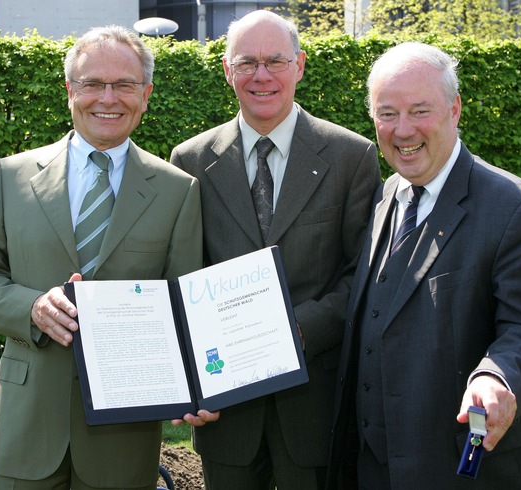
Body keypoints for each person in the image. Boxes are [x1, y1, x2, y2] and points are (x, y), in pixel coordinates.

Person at [0, 25, 202, 489]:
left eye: (124, 85)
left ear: (146, 95)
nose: (107, 98)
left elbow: (184, 307)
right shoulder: (10, 177)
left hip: (124, 440)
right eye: (92, 83)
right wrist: (30, 307)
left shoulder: (178, 191)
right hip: (25, 431)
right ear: (70, 90)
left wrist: (194, 386)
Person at [326, 41, 521, 490]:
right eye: (387, 113)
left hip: (459, 469)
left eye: (420, 111)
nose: (402, 130)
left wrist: (498, 377)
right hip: (372, 468)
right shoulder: (384, 198)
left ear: (455, 109)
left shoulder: (516, 207)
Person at [169, 9, 381, 490]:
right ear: (227, 70)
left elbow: (364, 276)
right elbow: (182, 276)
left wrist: (299, 330)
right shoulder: (190, 160)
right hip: (226, 412)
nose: (261, 75)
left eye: (275, 61)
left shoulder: (352, 157)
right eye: (246, 62)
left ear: (300, 65)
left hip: (314, 406)